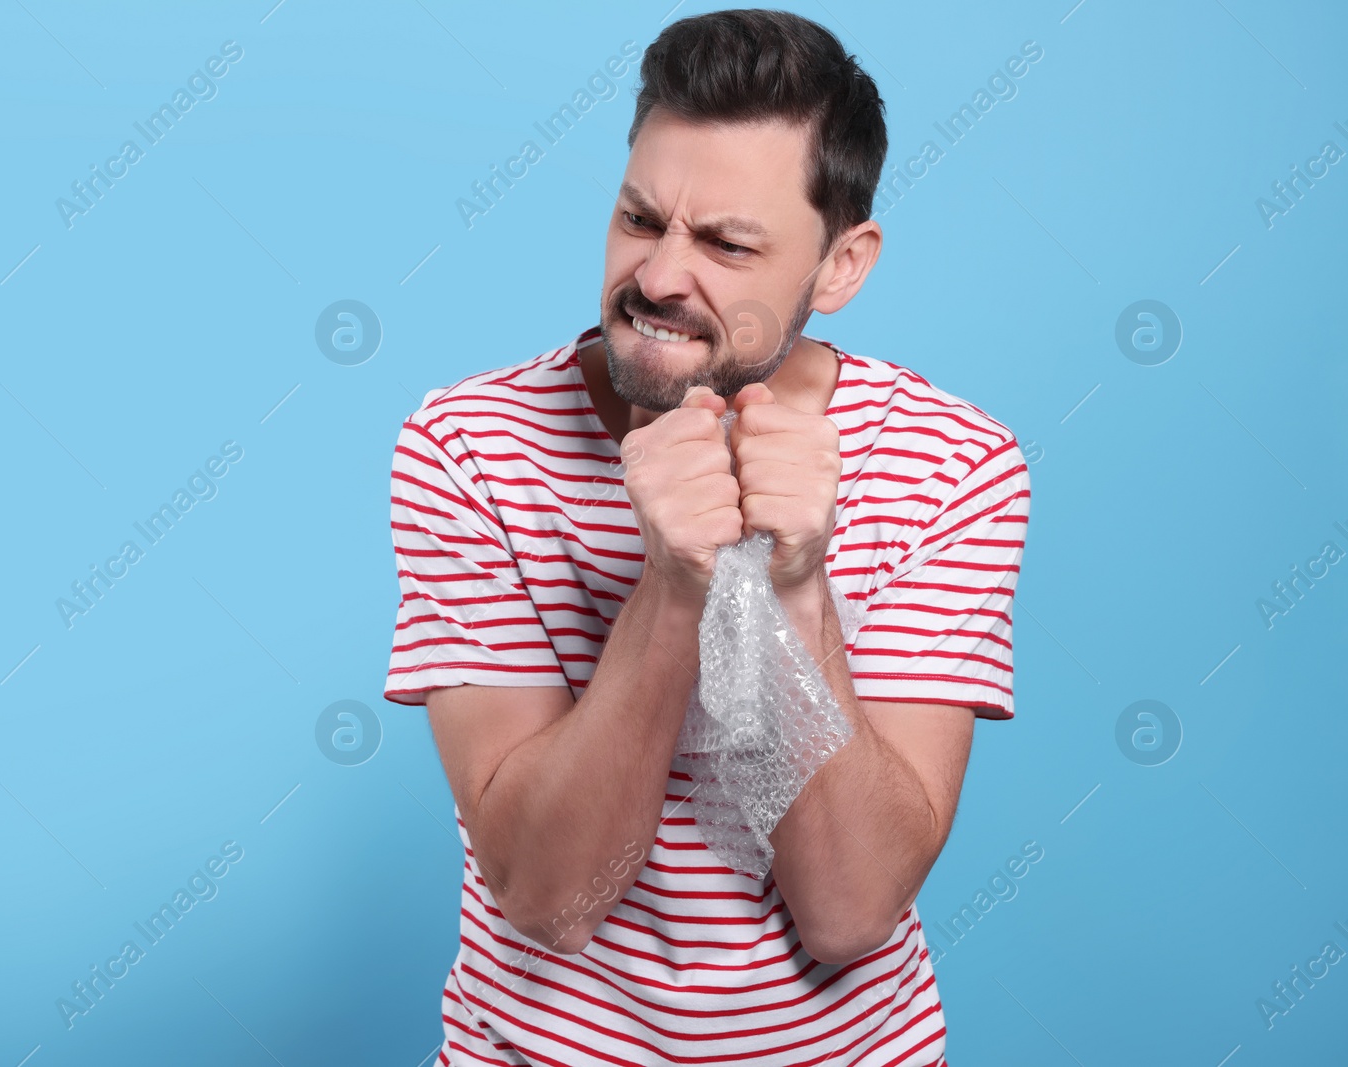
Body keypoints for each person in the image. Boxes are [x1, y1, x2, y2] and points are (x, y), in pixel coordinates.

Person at [383, 9, 1030, 1064]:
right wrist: (674, 583)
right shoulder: (469, 446)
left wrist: (788, 583)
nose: (658, 277)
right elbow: (550, 902)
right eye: (641, 219)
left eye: (727, 243)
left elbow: (850, 908)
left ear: (839, 266)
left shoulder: (951, 463)